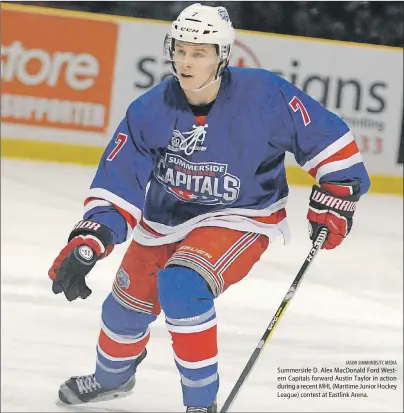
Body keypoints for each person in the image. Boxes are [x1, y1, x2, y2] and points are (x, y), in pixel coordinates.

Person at [49, 3, 370, 412]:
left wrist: (339, 188)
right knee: (123, 311)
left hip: (242, 215)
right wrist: (93, 236)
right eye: (180, 50)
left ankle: (200, 405)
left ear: (222, 56)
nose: (186, 61)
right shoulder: (149, 110)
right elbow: (119, 182)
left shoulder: (265, 95)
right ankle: (113, 379)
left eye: (199, 53)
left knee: (182, 286)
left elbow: (328, 141)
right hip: (166, 220)